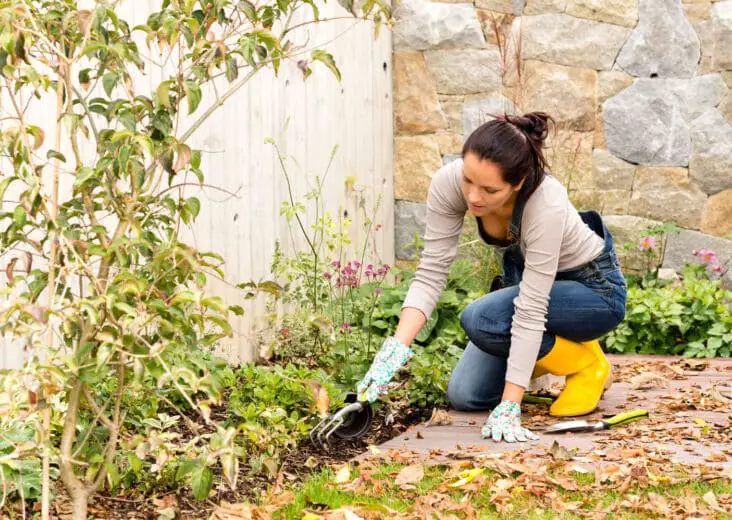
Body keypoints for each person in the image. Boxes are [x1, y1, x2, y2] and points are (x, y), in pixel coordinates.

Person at [356, 111, 627, 443]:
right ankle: (559, 353)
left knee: (482, 318)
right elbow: (430, 272)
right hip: (533, 289)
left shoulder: (546, 202)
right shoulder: (449, 183)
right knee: (466, 395)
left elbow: (530, 308)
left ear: (518, 183)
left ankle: (586, 364)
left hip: (593, 292)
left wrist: (510, 406)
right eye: (468, 179)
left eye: (489, 189)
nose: (473, 196)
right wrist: (395, 349)